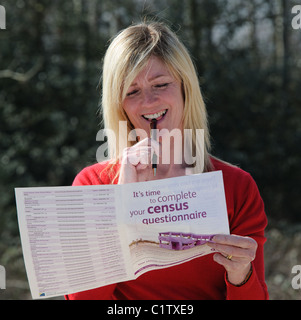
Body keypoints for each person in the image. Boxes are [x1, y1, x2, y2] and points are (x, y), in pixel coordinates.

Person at [65, 21, 268, 300]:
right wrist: (119, 211)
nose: (149, 101)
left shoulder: (236, 187)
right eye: (131, 92)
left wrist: (241, 274)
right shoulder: (92, 185)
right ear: (118, 104)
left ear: (186, 89)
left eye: (160, 84)